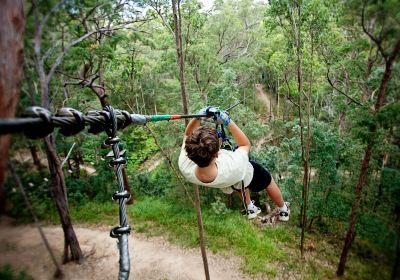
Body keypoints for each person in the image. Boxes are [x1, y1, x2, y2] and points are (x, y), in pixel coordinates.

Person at [178, 107, 290, 220]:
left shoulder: (185, 166)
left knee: (238, 185)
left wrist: (198, 117)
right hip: (245, 174)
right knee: (268, 180)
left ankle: (250, 206)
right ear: (217, 154)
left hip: (227, 182)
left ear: (190, 153)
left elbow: (187, 135)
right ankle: (283, 209)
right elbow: (245, 145)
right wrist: (227, 121)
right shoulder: (234, 164)